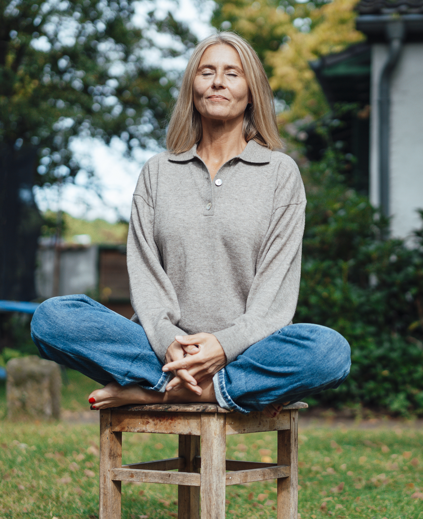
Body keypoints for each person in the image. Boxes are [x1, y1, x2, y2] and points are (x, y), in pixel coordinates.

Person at [30, 32, 351, 416]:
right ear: (192, 89)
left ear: (251, 92)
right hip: (161, 351)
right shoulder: (157, 171)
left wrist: (224, 345)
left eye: (232, 73)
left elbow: (274, 298)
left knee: (330, 351)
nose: (218, 81)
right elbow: (145, 277)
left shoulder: (279, 173)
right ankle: (203, 388)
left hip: (247, 351)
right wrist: (168, 341)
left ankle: (161, 392)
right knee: (51, 318)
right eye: (207, 72)